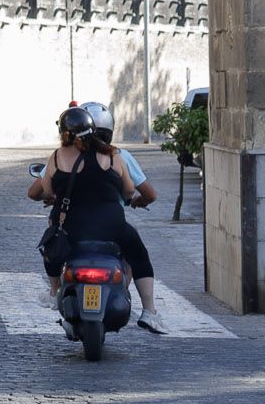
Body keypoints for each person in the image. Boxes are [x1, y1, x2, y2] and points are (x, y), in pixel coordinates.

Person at [27, 103, 163, 334]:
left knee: (50, 248)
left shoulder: (57, 157)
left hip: (72, 229)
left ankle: (55, 292)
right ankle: (149, 311)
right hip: (113, 228)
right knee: (139, 256)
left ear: (64, 134)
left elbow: (47, 191)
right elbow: (129, 191)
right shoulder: (113, 156)